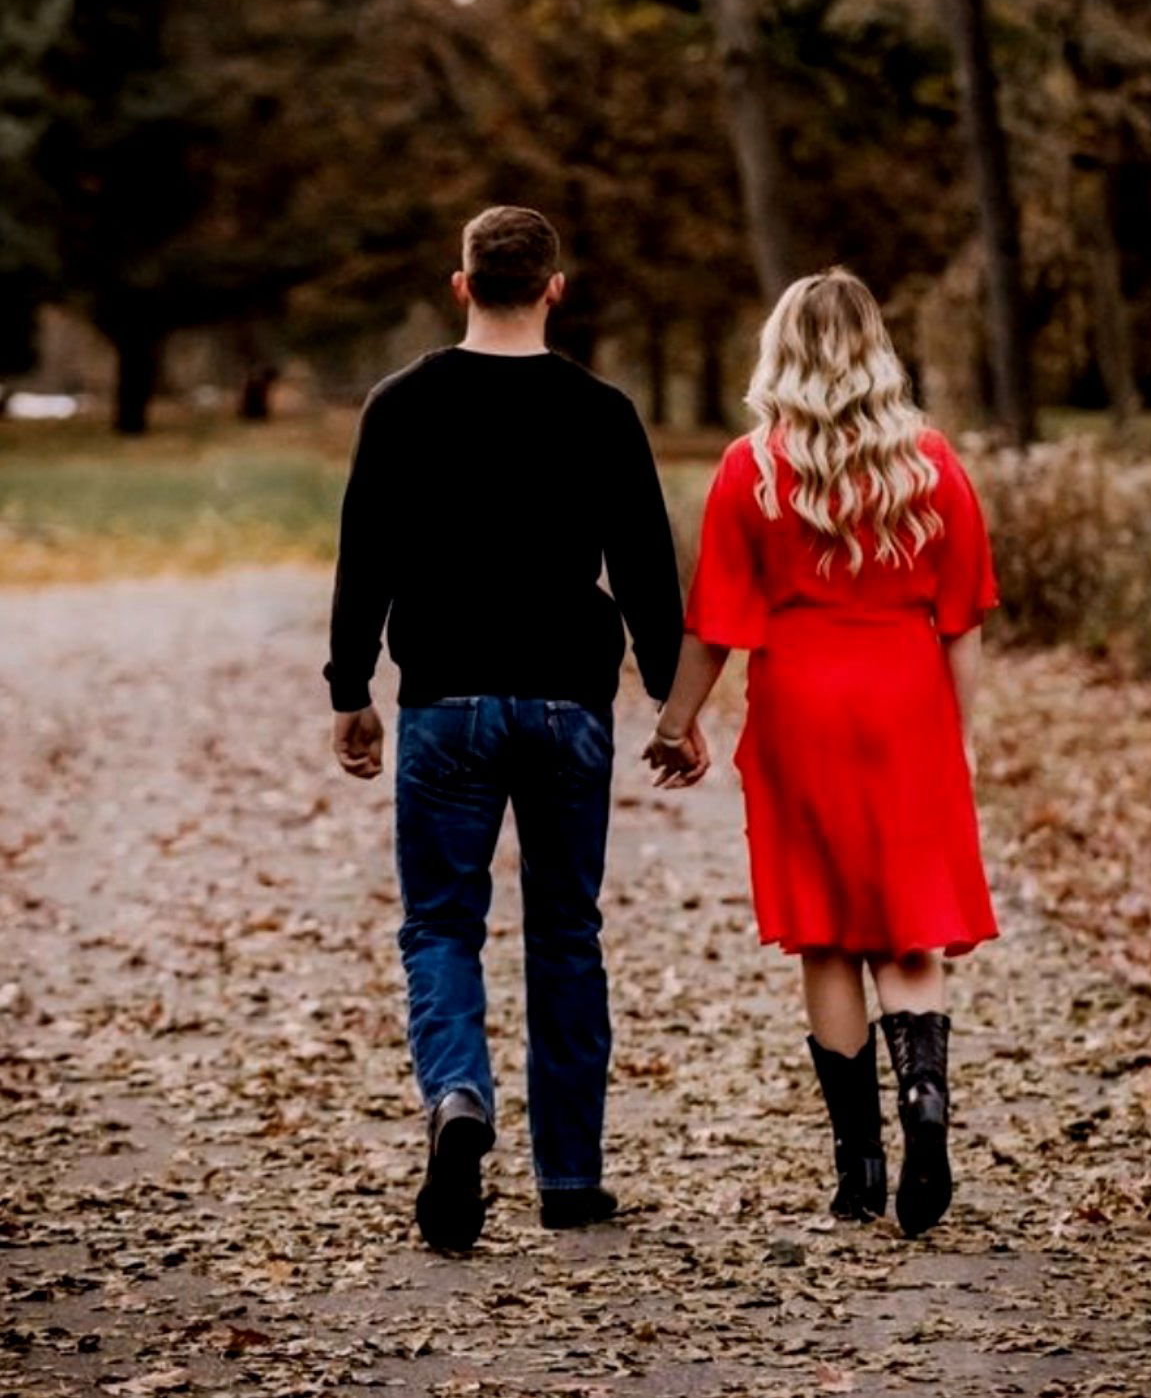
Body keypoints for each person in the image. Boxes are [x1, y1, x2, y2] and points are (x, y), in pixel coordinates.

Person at [327, 206, 684, 1253]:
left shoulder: (401, 405)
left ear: (461, 284)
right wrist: (674, 699)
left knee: (442, 924)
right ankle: (570, 1177)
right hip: (568, 701)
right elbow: (646, 567)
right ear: (555, 288)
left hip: (445, 699)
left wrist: (351, 687)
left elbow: (366, 555)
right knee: (567, 933)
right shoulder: (602, 411)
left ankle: (458, 1099)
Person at [644, 269, 999, 1239]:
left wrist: (676, 722)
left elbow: (713, 620)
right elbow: (961, 619)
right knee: (908, 924)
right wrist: (957, 740)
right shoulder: (930, 463)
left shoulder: (750, 468)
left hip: (801, 699)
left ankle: (859, 1166)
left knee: (828, 930)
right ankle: (925, 1095)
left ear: (781, 351)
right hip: (906, 698)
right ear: (877, 348)